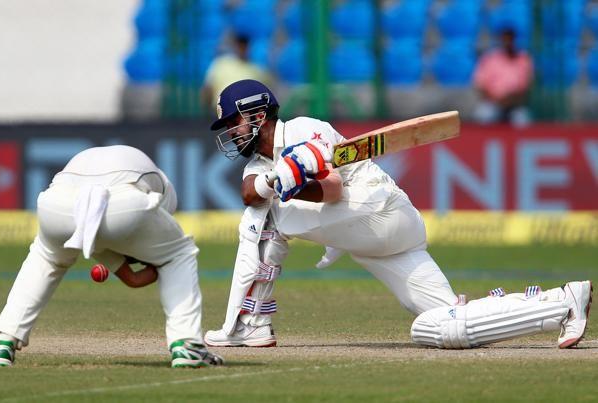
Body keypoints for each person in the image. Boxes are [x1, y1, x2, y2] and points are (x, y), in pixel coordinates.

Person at [203, 79, 592, 350]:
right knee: (444, 325)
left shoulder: (305, 127)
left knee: (271, 219)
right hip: (378, 243)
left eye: (233, 122)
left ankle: (248, 325)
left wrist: (301, 168)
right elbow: (250, 194)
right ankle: (562, 303)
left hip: (380, 210)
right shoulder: (256, 164)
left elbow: (335, 188)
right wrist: (280, 178)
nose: (231, 132)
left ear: (256, 114)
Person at [0, 145, 223, 368]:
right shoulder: (165, 193)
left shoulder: (124, 166)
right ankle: (187, 344)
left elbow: (129, 273)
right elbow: (145, 257)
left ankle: (4, 343)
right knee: (178, 254)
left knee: (45, 258)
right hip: (122, 204)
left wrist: (129, 264)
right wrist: (159, 265)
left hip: (56, 205)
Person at [473, 27, 534, 128]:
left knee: (522, 120)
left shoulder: (523, 59)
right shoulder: (490, 58)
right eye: (505, 40)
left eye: (510, 40)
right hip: (493, 102)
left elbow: (526, 87)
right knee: (483, 115)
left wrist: (510, 100)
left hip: (515, 104)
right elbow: (481, 84)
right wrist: (496, 100)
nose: (507, 43)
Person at [201, 33, 273, 111]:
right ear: (235, 46)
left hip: (246, 115)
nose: (242, 48)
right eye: (240, 45)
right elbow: (207, 90)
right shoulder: (220, 64)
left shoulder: (257, 70)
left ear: (248, 47)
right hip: (221, 114)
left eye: (244, 45)